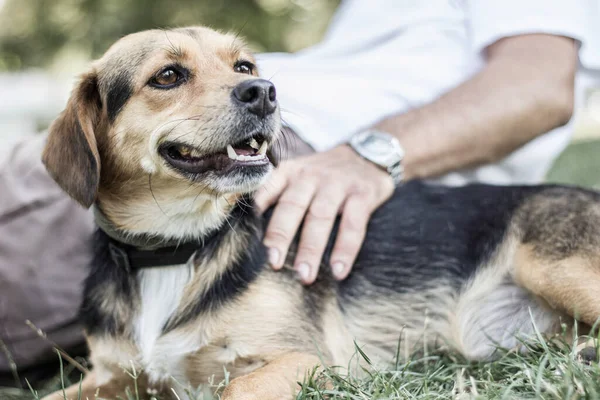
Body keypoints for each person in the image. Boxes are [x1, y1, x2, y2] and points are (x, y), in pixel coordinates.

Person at [1, 0, 599, 386]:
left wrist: (369, 153)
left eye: (244, 67)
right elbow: (116, 382)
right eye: (170, 76)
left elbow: (538, 86)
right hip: (195, 193)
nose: (254, 86)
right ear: (94, 127)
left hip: (327, 158)